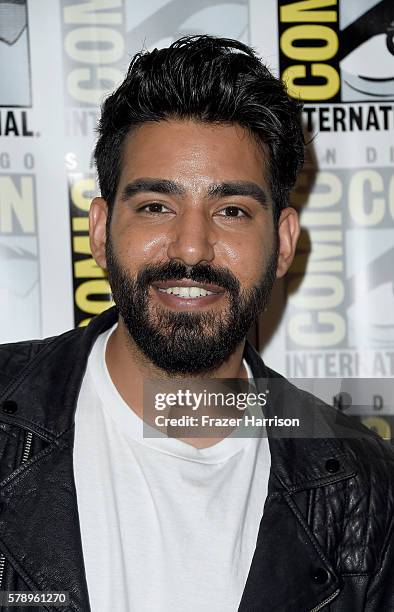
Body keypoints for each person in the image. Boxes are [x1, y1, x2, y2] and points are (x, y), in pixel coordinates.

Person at [0, 35, 393, 612]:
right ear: (101, 230)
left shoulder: (364, 491)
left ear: (283, 243)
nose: (192, 247)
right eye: (156, 206)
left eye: (231, 210)